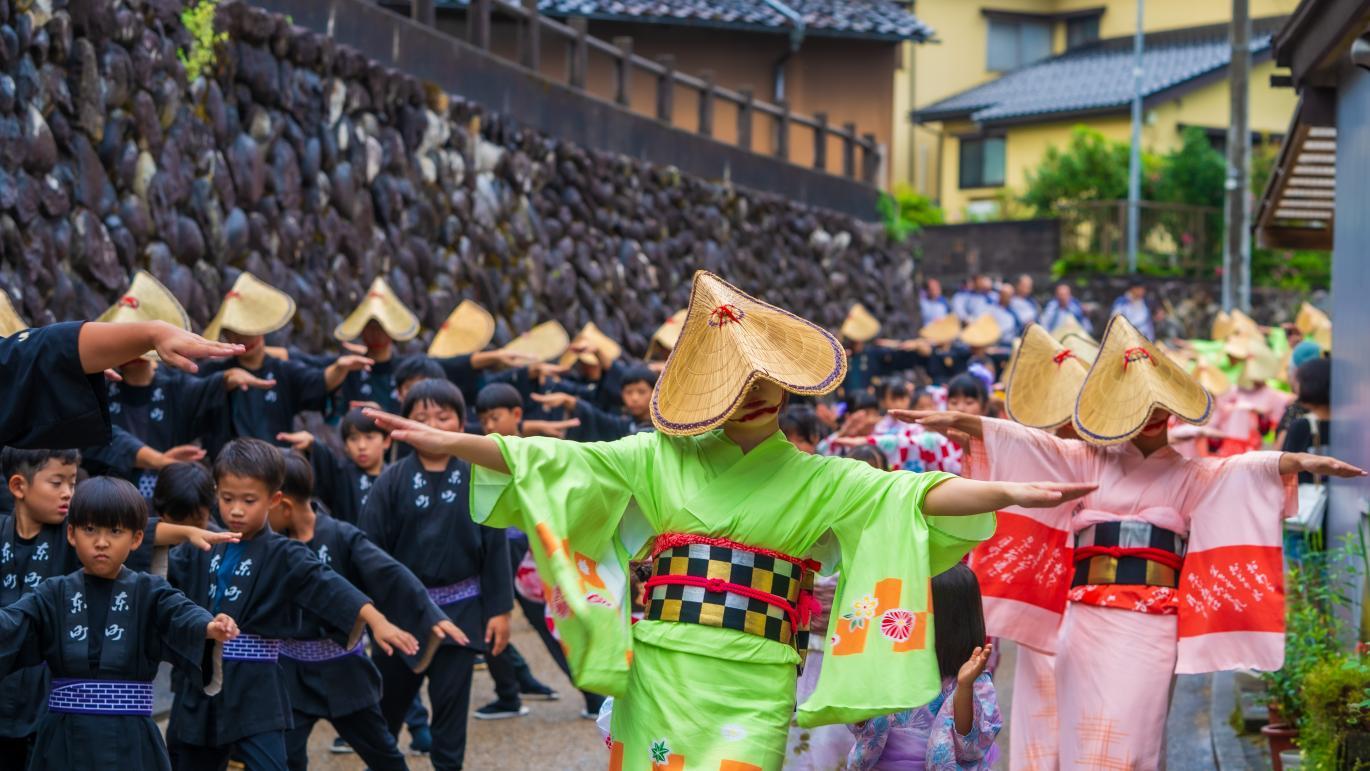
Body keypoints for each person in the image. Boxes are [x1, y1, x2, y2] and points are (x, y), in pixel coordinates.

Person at [363, 270, 1090, 769]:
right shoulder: (656, 457)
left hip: (758, 673)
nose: (759, 398)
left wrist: (1007, 493)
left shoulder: (817, 475)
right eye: (743, 386)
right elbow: (549, 462)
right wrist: (447, 441)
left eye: (770, 386)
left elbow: (912, 496)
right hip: (664, 665)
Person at [896, 315, 1365, 769]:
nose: (1156, 416)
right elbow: (1032, 445)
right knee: (1082, 741)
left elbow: (1240, 471)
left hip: (1152, 625)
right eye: (1144, 407)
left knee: (1135, 744)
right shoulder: (1086, 458)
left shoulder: (1189, 474)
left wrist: (1294, 461)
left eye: (1162, 406)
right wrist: (969, 422)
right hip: (1083, 623)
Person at [165, 438, 417, 771]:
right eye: (227, 499)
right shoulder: (202, 545)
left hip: (257, 686)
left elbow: (329, 585)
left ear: (274, 499)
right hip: (203, 680)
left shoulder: (284, 554)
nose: (236, 509)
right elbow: (158, 584)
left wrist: (377, 620)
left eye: (249, 500)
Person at [0, 448, 236, 766]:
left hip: (131, 738)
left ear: (136, 539)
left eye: (115, 532)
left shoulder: (149, 590)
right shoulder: (52, 593)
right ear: (72, 534)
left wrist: (209, 627)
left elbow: (180, 613)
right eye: (89, 530)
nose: (101, 542)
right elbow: (13, 622)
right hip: (64, 738)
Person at [269, 452, 463, 771]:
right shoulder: (270, 547)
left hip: (343, 670)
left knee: (384, 757)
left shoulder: (342, 535)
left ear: (283, 504)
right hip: (291, 674)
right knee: (284, 759)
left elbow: (390, 573)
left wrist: (431, 614)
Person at [359, 379, 514, 771]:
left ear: (462, 424)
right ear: (403, 425)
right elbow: (367, 551)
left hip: (460, 613)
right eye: (420, 417)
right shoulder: (390, 482)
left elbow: (496, 549)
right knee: (386, 710)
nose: (432, 425)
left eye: (443, 417)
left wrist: (499, 610)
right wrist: (370, 615)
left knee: (450, 714)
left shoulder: (479, 475)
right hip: (402, 617)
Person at [844, 564, 1002, 770]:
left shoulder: (975, 682)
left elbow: (969, 748)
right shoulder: (892, 667)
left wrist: (964, 688)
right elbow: (863, 728)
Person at [1, 319, 242, 450]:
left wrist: (153, 333)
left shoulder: (174, 385)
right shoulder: (107, 387)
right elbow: (36, 354)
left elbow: (37, 353)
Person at [195, 272, 374, 448]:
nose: (243, 338)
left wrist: (339, 368)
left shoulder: (283, 371)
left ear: (260, 328)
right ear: (226, 335)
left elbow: (319, 381)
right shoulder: (215, 374)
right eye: (234, 332)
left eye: (247, 330)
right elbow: (186, 393)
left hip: (275, 466)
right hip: (227, 469)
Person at [277, 409, 390, 525]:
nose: (362, 446)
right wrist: (312, 444)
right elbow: (327, 461)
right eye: (353, 439)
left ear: (386, 441)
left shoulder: (395, 478)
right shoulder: (341, 475)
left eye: (369, 437)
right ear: (345, 446)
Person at [330, 277, 423, 416]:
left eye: (381, 327)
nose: (375, 333)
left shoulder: (409, 368)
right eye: (370, 327)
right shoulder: (349, 369)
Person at [1281, 357, 1332, 559]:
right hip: (1338, 511)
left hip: (1306, 508)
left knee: (1301, 568)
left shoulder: (1302, 426)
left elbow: (1283, 468)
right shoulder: (1351, 424)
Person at [152, 463, 216, 530]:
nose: (188, 536)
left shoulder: (222, 538)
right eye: (179, 528)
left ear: (209, 514)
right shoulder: (143, 533)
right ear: (160, 515)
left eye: (197, 526)